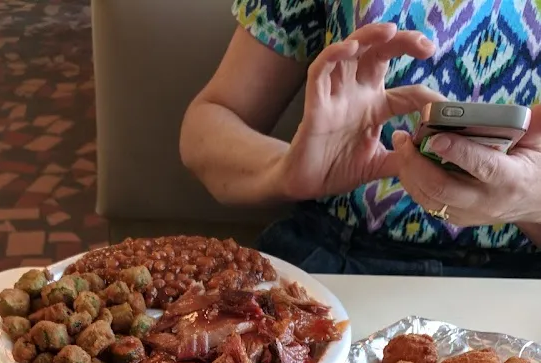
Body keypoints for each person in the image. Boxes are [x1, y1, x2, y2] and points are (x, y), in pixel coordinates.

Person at [180, 6, 541, 277]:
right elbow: (206, 126)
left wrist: (531, 202)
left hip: (520, 275)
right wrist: (284, 170)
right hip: (327, 258)